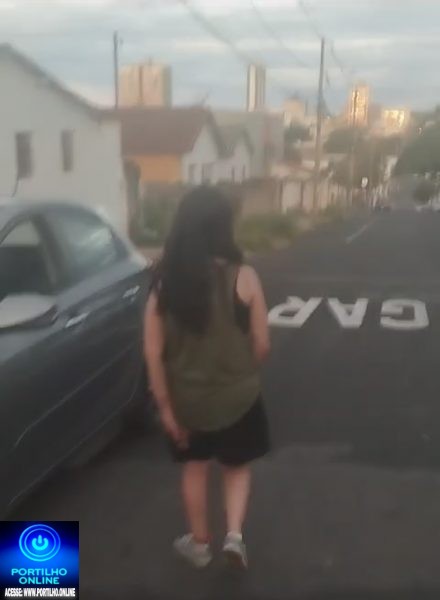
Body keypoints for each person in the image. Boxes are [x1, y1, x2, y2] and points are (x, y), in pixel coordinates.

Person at [145, 186, 270, 570]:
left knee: (195, 468)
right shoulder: (244, 277)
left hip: (187, 402)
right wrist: (243, 370)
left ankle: (200, 543)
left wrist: (166, 409)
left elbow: (153, 352)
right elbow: (262, 344)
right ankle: (234, 536)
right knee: (236, 467)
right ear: (224, 227)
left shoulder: (164, 284)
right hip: (238, 398)